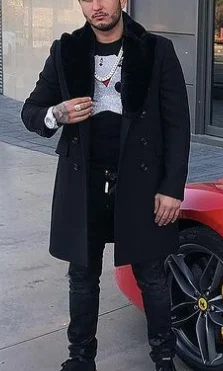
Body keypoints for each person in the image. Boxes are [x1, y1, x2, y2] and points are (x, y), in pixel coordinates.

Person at [21, 1, 190, 370]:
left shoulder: (156, 50)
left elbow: (178, 125)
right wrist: (56, 114)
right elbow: (31, 111)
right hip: (84, 185)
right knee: (82, 277)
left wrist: (172, 188)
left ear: (122, 1)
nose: (97, 6)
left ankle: (164, 359)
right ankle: (80, 359)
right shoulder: (65, 50)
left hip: (142, 185)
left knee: (152, 277)